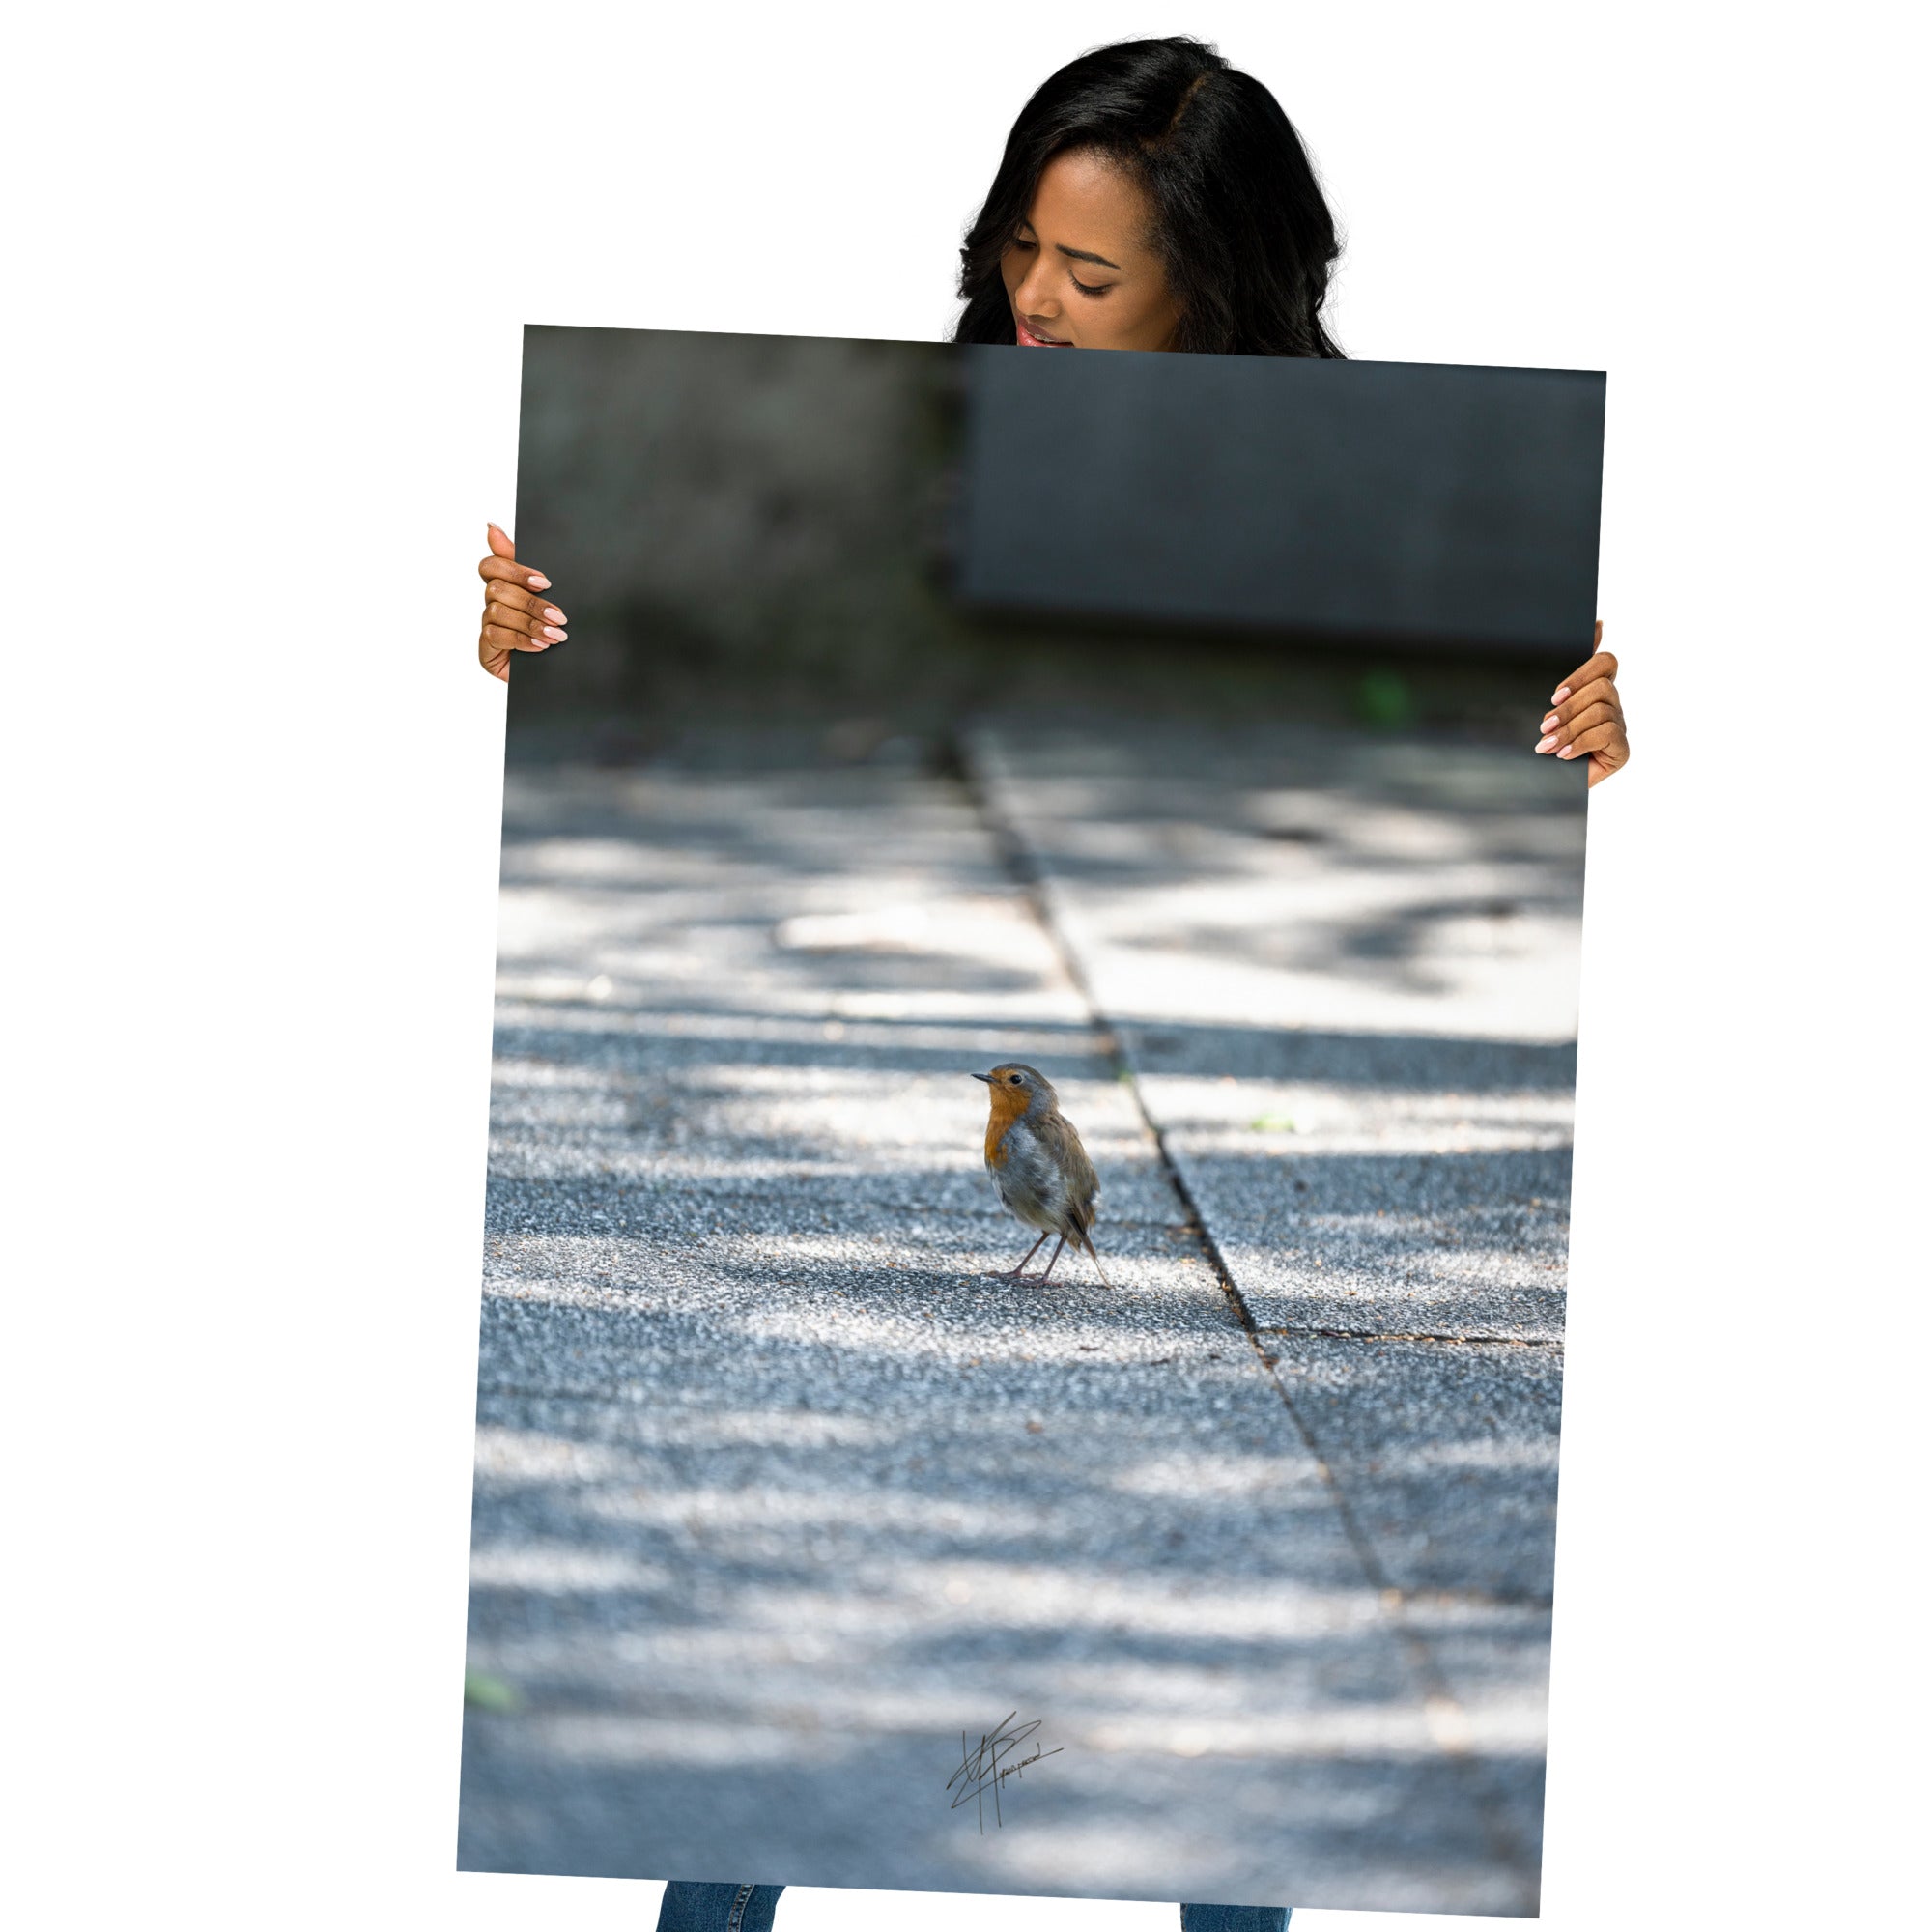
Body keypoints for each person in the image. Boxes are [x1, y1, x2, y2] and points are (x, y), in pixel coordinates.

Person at [477, 37, 1622, 1932]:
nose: (1034, 305)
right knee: (781, 1737)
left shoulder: (1329, 447)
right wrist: (496, 632)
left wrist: (1612, 721)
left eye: (1091, 280)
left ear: (1222, 286)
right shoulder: (960, 392)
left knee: (1202, 1769)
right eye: (1022, 251)